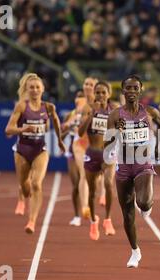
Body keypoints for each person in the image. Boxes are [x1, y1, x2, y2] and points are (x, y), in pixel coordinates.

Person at [106, 75, 160, 268]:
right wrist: (116, 132)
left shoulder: (149, 112)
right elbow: (107, 143)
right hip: (122, 165)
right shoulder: (115, 115)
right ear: (123, 91)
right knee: (128, 213)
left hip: (142, 162)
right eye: (128, 88)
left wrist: (158, 146)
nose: (131, 91)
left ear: (140, 90)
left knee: (143, 202)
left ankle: (147, 204)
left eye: (135, 88)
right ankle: (135, 251)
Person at [5, 73, 66, 233]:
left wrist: (60, 140)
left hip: (40, 149)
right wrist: (23, 129)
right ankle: (22, 194)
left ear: (43, 89)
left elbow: (56, 122)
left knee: (36, 184)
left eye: (37, 87)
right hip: (22, 150)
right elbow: (8, 130)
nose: (35, 90)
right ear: (27, 89)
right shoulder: (21, 106)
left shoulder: (48, 107)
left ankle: (31, 221)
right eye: (31, 87)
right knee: (25, 186)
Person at [78, 81, 119, 240]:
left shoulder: (114, 109)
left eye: (103, 92)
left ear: (109, 94)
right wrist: (90, 116)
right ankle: (94, 221)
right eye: (98, 92)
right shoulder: (88, 108)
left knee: (109, 184)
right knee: (92, 191)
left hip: (108, 152)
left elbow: (120, 129)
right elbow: (81, 132)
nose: (101, 95)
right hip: (92, 152)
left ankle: (107, 219)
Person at [73, 77, 98, 219]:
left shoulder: (100, 104)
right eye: (86, 84)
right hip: (80, 143)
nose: (88, 86)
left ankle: (100, 196)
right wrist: (69, 124)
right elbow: (73, 119)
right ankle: (85, 207)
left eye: (91, 84)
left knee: (96, 177)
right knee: (83, 173)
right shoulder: (80, 103)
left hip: (95, 144)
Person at [61, 90, 85, 226]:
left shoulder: (89, 114)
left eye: (82, 97)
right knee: (76, 184)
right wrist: (68, 128)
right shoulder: (70, 115)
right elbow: (61, 134)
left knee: (89, 184)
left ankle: (90, 212)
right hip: (72, 152)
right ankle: (77, 215)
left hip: (88, 152)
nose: (79, 99)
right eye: (78, 96)